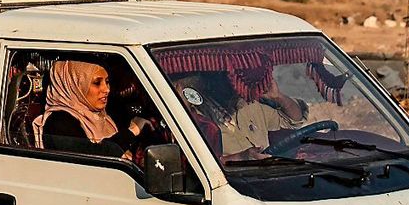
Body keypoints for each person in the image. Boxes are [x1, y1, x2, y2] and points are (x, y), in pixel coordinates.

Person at [32, 60, 151, 159]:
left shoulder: (104, 114)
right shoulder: (58, 122)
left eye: (107, 82)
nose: (106, 89)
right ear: (74, 85)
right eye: (97, 83)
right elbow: (91, 156)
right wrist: (132, 130)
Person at [176, 72, 304, 161]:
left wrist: (279, 97)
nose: (232, 84)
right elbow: (198, 163)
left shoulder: (251, 106)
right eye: (225, 78)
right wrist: (243, 157)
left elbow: (293, 120)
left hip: (267, 182)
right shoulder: (197, 119)